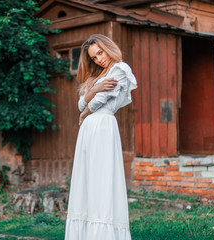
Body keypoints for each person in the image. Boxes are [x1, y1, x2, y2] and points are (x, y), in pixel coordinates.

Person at [65, 34, 137, 240]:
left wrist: (85, 110)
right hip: (88, 129)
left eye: (100, 53)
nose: (99, 59)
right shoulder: (98, 76)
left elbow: (98, 102)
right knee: (87, 178)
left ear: (108, 48)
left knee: (102, 178)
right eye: (94, 57)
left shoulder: (120, 69)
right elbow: (82, 103)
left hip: (103, 125)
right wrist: (94, 90)